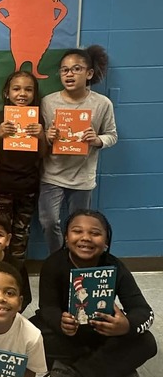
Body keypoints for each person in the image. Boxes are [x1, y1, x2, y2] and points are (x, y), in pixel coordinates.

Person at [32, 210, 156, 377]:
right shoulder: (53, 264)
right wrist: (59, 322)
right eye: (77, 231)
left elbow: (143, 310)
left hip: (103, 332)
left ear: (106, 241)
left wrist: (126, 326)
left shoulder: (115, 267)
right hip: (67, 334)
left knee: (147, 342)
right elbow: (47, 307)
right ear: (66, 236)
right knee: (31, 336)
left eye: (95, 233)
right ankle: (118, 370)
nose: (86, 238)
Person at [39, 45, 118, 253]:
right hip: (52, 175)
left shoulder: (102, 104)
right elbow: (43, 138)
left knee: (79, 226)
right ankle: (58, 259)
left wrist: (97, 140)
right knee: (48, 222)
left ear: (89, 73)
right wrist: (48, 137)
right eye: (65, 70)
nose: (69, 74)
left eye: (76, 69)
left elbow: (112, 136)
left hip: (83, 177)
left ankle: (75, 261)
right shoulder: (48, 102)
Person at [0, 70, 47, 259]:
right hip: (1, 185)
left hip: (27, 186)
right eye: (16, 89)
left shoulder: (37, 120)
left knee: (21, 234)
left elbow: (43, 154)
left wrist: (41, 136)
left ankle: (17, 272)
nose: (22, 94)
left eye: (28, 90)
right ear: (7, 92)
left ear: (34, 94)